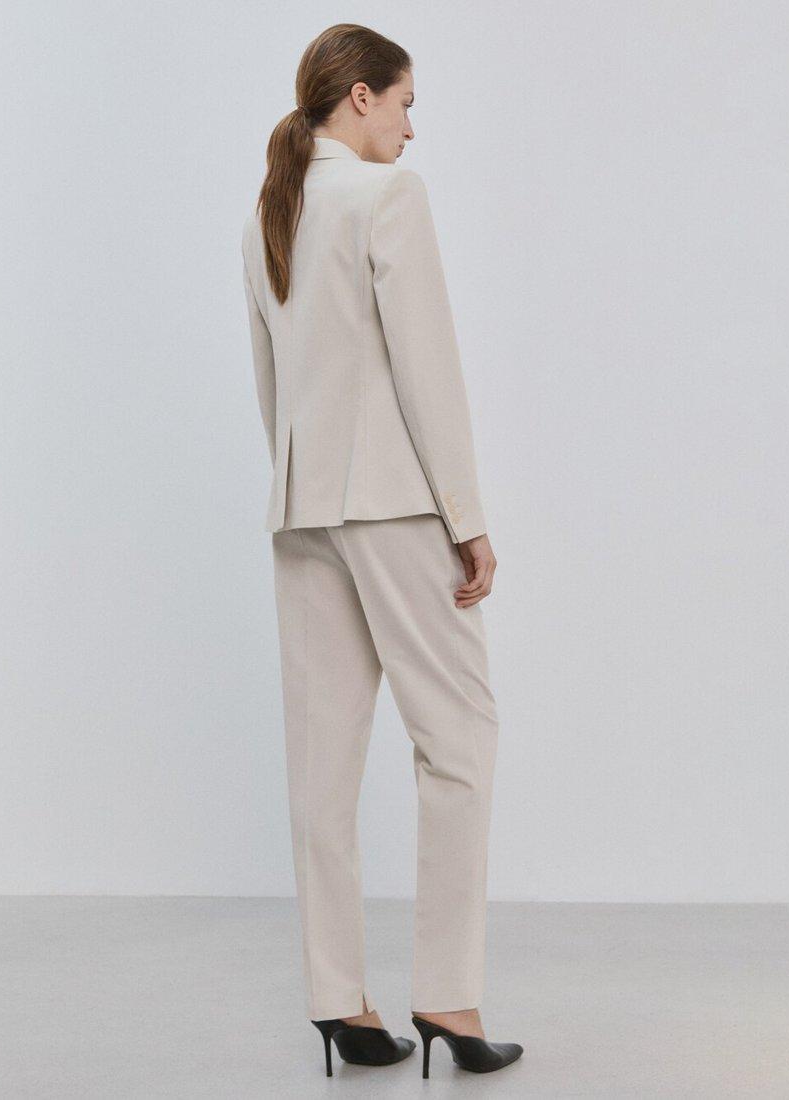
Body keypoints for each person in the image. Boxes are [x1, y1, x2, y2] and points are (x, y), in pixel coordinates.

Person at [241, 23, 522, 1078]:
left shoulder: (270, 209)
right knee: (459, 738)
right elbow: (426, 369)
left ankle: (340, 1001)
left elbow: (270, 383)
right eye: (405, 103)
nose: (411, 127)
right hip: (396, 506)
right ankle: (447, 995)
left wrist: (301, 485)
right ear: (359, 96)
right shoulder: (386, 197)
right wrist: (466, 517)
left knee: (320, 766)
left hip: (303, 506)